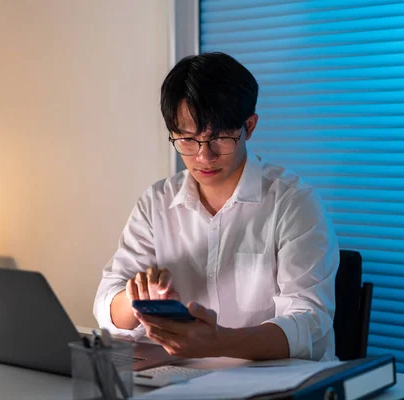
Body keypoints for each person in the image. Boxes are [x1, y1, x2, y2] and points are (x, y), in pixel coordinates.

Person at [93, 52, 339, 361]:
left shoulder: (293, 203)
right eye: (186, 140)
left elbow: (310, 323)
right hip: (182, 381)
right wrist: (138, 300)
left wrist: (218, 342)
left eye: (220, 138)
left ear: (249, 126)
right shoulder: (156, 203)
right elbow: (106, 302)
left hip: (273, 383)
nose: (203, 157)